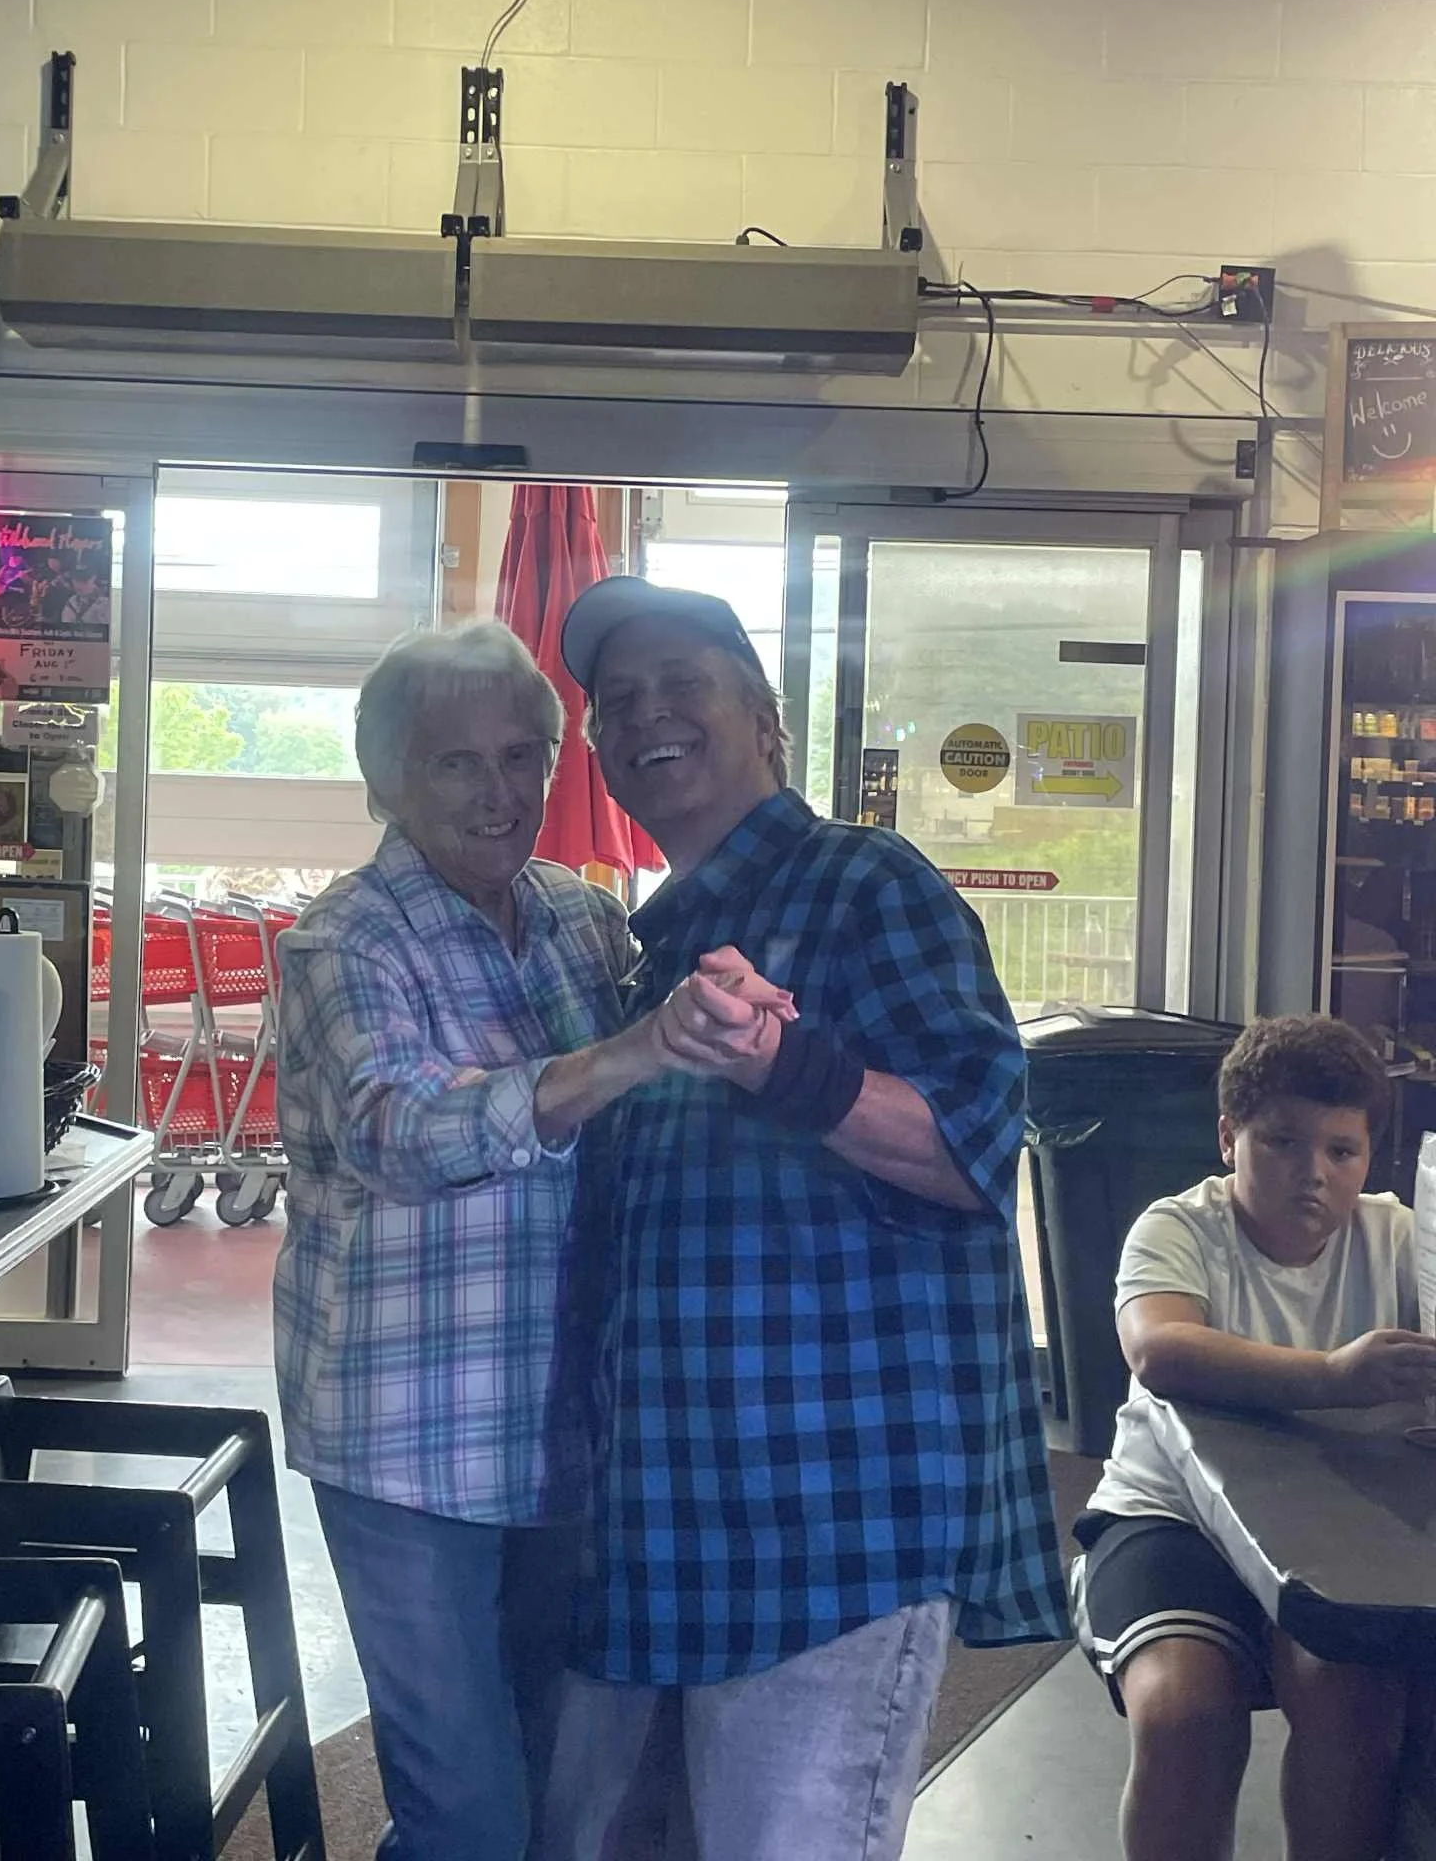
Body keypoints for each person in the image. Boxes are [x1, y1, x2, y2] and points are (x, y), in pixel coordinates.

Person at [541, 576, 1068, 1861]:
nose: (648, 716)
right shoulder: (653, 942)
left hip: (832, 1519)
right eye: (618, 704)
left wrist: (788, 1066)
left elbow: (971, 1144)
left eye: (683, 685)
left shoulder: (865, 883)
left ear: (766, 722)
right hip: (668, 1513)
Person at [273, 622, 682, 1861]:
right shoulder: (346, 937)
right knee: (469, 1812)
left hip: (565, 1424)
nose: (500, 793)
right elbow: (394, 1125)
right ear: (389, 776)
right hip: (407, 1440)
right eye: (458, 764)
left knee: (561, 1785)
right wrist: (614, 1060)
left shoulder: (583, 919)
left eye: (524, 755)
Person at [1070, 1014, 1436, 1861]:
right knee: (1185, 1714)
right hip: (1171, 1519)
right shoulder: (1177, 1228)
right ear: (1230, 1137)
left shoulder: (1399, 1237)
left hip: (1336, 1529)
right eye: (1282, 1143)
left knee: (1356, 1704)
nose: (1313, 1174)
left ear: (1370, 1157)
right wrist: (1333, 1377)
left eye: (1341, 1152)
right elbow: (1159, 1349)